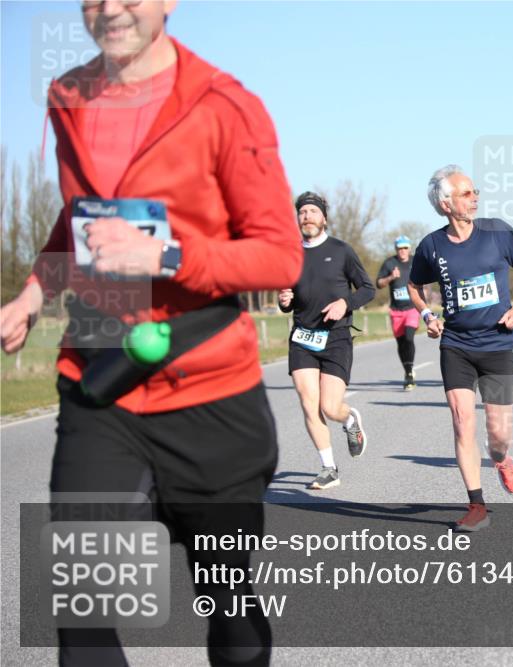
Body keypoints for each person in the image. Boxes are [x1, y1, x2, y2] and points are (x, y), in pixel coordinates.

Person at [0, 2, 302, 664]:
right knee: (80, 604)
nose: (111, 8)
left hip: (208, 386)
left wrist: (169, 257)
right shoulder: (69, 95)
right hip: (100, 380)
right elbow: (80, 219)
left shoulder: (225, 106)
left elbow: (280, 255)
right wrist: (32, 290)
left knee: (226, 596)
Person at [407, 165, 513, 532]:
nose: (475, 197)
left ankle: (500, 458)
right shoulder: (432, 246)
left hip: (496, 344)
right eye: (466, 193)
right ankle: (476, 504)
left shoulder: (497, 231)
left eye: (474, 191)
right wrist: (428, 315)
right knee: (463, 423)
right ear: (445, 203)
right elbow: (414, 286)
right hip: (457, 345)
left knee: (498, 434)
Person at [279, 191, 375, 490]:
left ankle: (348, 420)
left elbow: (367, 289)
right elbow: (287, 300)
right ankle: (329, 468)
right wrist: (284, 299)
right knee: (309, 404)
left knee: (331, 407)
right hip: (303, 337)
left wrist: (345, 303)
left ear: (323, 218)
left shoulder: (341, 251)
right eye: (302, 212)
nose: (306, 216)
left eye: (312, 212)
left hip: (335, 338)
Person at [377, 235, 420, 390]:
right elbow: (379, 283)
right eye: (399, 248)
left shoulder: (415, 261)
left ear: (409, 248)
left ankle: (409, 374)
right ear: (396, 249)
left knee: (409, 338)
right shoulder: (389, 263)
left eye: (405, 248)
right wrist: (391, 277)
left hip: (412, 308)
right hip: (396, 310)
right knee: (401, 343)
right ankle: (407, 370)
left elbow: (426, 277)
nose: (402, 251)